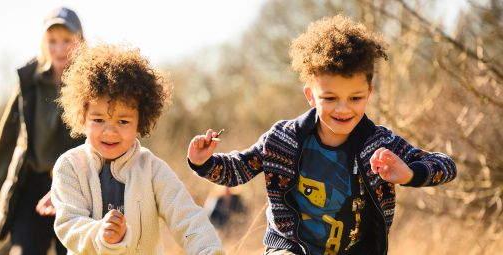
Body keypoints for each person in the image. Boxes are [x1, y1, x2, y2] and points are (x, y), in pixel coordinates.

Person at [187, 15, 457, 255]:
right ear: (310, 96)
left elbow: (445, 166)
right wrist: (204, 162)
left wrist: (409, 174)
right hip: (290, 247)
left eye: (355, 97)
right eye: (330, 97)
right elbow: (239, 169)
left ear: (369, 94)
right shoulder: (284, 139)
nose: (343, 108)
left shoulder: (380, 143)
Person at [50, 43, 225, 255]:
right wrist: (101, 235)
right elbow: (68, 223)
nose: (110, 132)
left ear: (140, 121)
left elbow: (187, 218)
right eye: (98, 120)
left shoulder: (152, 169)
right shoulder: (69, 166)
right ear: (82, 116)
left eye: (123, 121)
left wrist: (208, 251)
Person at [0, 6, 85, 254]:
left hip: (77, 192)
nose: (59, 48)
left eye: (67, 40)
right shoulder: (29, 83)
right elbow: (5, 144)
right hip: (31, 189)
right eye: (52, 41)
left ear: (80, 40)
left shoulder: (92, 83)